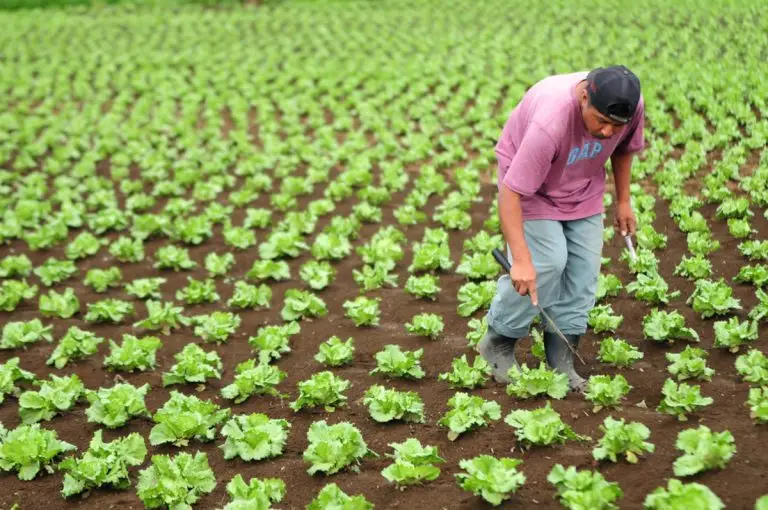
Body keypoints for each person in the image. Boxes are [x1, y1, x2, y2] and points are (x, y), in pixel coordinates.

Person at [477, 65, 645, 392]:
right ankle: (498, 341)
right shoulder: (550, 122)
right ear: (584, 98)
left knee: (583, 273)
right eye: (602, 121)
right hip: (532, 188)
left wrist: (623, 201)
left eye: (616, 126)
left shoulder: (632, 105)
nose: (608, 132)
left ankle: (561, 359)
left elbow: (624, 149)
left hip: (582, 185)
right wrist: (521, 260)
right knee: (546, 264)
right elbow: (510, 193)